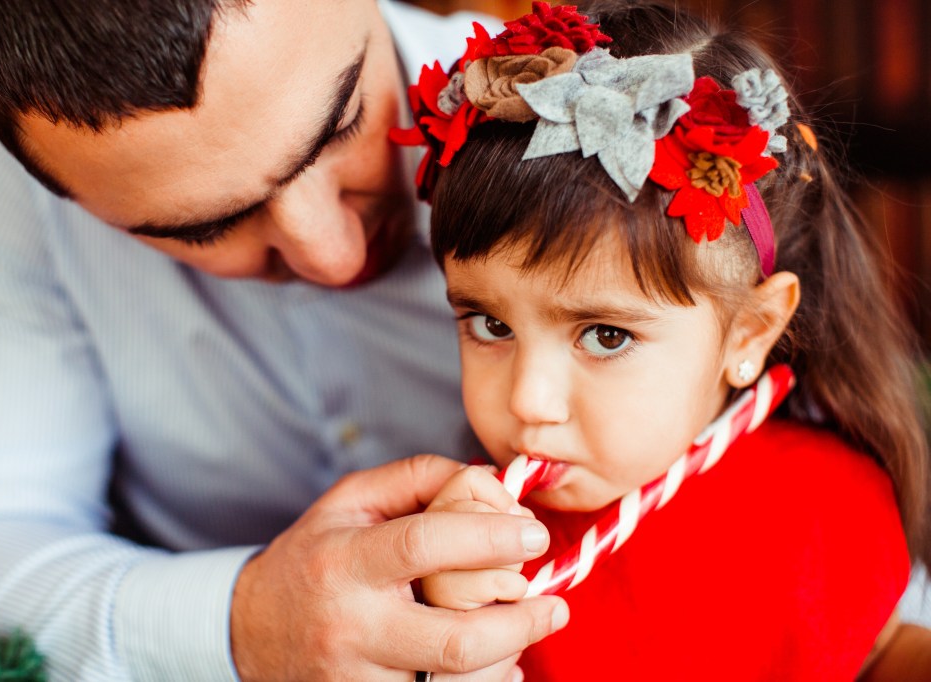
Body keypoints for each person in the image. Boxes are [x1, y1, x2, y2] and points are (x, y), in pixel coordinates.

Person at [0, 2, 572, 680]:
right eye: (204, 228)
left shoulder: (590, 140)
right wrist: (243, 623)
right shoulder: (2, 159)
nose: (332, 257)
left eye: (344, 120)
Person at [392, 1, 931, 678]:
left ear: (750, 332)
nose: (529, 400)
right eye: (490, 324)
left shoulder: (830, 501)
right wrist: (455, 645)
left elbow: (873, 652)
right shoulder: (472, 553)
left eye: (607, 335)